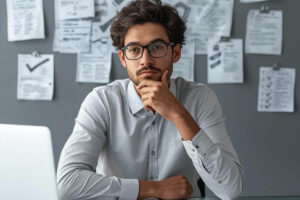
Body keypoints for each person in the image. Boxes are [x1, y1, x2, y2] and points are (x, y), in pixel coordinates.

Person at [57, 0, 243, 199]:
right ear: (122, 58)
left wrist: (178, 114)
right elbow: (68, 185)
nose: (145, 60)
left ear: (176, 52)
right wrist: (154, 188)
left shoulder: (199, 98)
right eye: (134, 50)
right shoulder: (102, 101)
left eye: (157, 47)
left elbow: (230, 190)